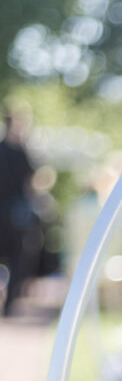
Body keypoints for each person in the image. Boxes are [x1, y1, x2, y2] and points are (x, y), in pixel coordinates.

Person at [0, 106, 42, 315]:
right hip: (15, 214)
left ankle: (9, 302)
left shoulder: (18, 150)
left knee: (16, 258)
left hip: (12, 214)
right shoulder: (22, 151)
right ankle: (9, 304)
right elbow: (33, 182)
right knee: (18, 257)